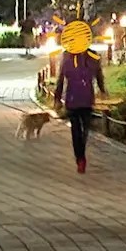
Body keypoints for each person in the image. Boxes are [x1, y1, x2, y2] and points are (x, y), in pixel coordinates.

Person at [54, 20, 104, 175]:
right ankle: (80, 158)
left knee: (85, 130)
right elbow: (61, 78)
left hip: (87, 98)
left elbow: (99, 74)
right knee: (76, 130)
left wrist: (102, 90)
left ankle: (81, 153)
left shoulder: (92, 56)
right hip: (72, 99)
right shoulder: (67, 56)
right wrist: (57, 97)